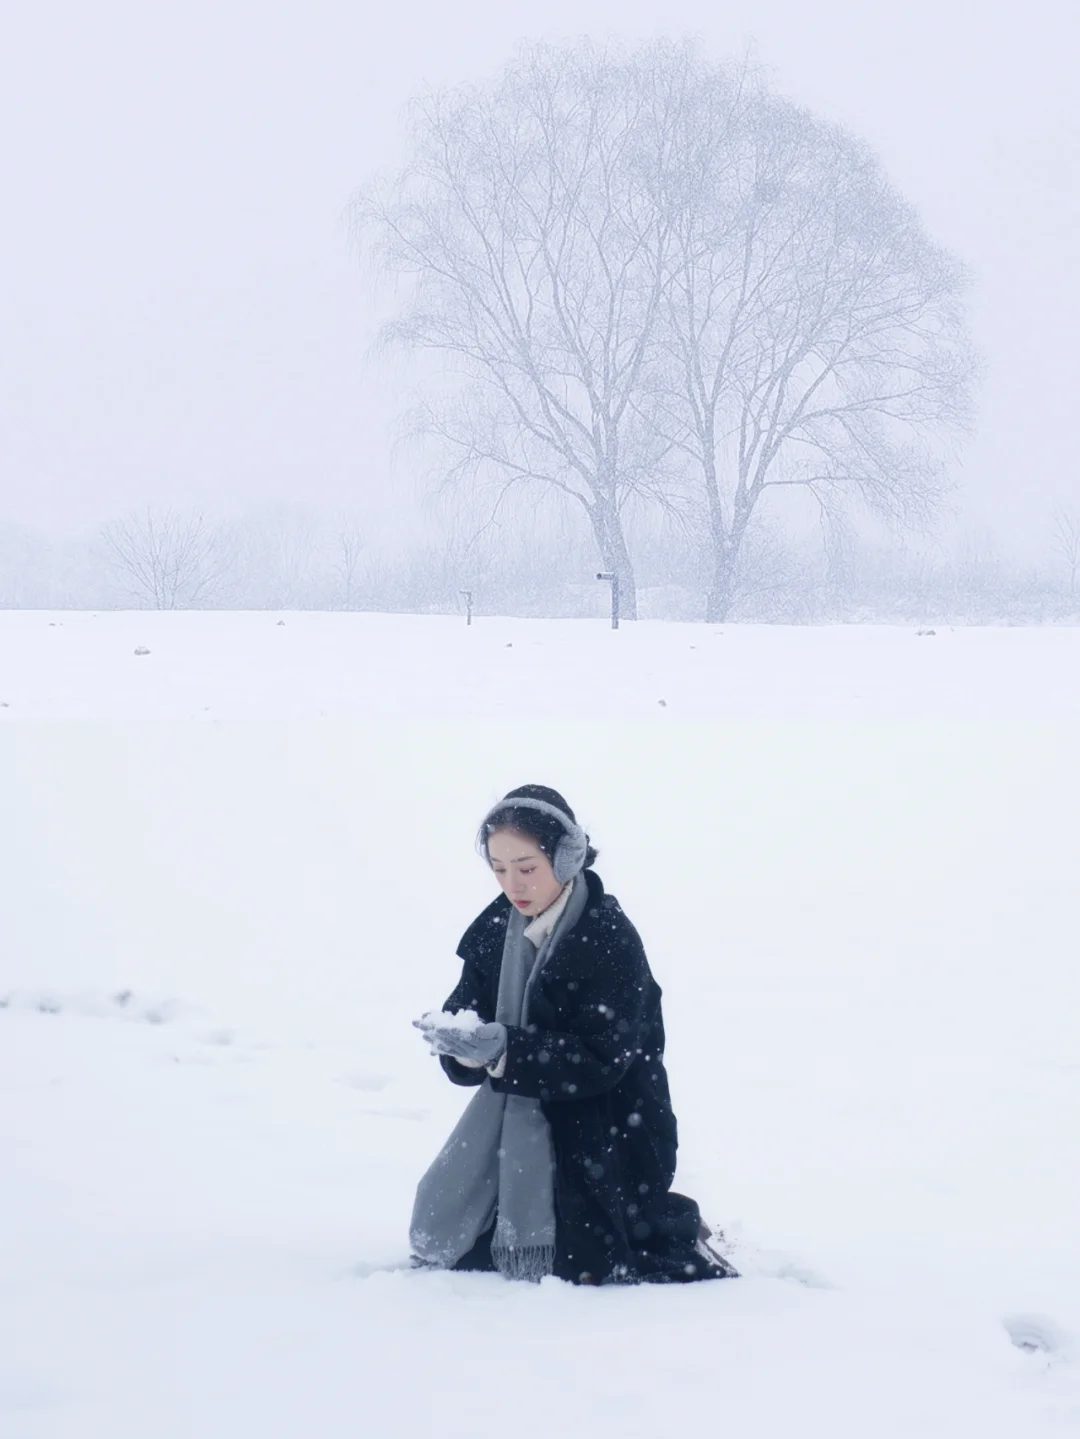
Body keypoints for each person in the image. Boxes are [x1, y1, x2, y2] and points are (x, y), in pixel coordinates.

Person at [410, 784, 737, 1286]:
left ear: (566, 857)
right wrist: (461, 1050)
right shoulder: (496, 928)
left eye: (526, 868)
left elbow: (601, 1059)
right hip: (518, 1121)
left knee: (586, 1261)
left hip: (607, 1129)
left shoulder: (608, 936)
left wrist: (505, 1050)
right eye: (498, 869)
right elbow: (467, 1013)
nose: (512, 884)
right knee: (468, 1249)